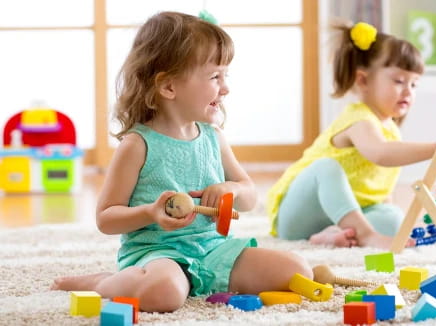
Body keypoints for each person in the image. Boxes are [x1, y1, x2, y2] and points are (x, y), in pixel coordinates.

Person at [51, 11, 312, 313]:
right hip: (159, 253)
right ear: (169, 87)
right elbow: (106, 218)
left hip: (212, 249)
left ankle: (197, 280)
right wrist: (151, 212)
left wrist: (232, 190)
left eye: (226, 75)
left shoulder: (214, 138)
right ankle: (103, 282)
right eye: (215, 77)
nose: (225, 88)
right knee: (163, 295)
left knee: (297, 271)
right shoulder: (137, 145)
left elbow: (250, 196)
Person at [267, 22, 436, 249]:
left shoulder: (392, 130)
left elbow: (381, 189)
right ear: (363, 80)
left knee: (394, 217)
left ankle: (333, 236)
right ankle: (362, 234)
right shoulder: (359, 119)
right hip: (299, 215)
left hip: (342, 217)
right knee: (325, 167)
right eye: (399, 81)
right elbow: (380, 153)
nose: (408, 91)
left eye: (414, 84)